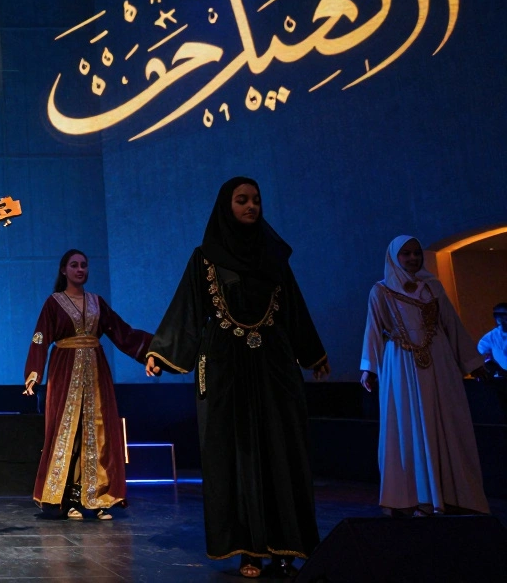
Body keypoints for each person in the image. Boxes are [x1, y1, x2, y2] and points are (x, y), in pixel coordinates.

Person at [144, 177, 329, 579]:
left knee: (282, 450)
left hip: (273, 366)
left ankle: (287, 547)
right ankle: (249, 549)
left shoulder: (274, 257)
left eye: (256, 201)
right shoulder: (205, 257)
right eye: (242, 200)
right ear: (226, 206)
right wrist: (162, 352)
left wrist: (313, 353)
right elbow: (188, 310)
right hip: (227, 366)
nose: (251, 207)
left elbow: (293, 308)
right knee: (236, 453)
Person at [360, 236, 490, 515]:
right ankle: (416, 494)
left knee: (445, 419)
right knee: (409, 423)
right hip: (401, 363)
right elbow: (373, 329)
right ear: (394, 257)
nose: (412, 259)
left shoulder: (432, 287)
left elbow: (451, 325)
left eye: (416, 253)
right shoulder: (381, 291)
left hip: (438, 361)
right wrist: (369, 367)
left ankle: (450, 491)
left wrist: (472, 362)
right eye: (405, 254)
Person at [23, 249, 151, 521]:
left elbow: (122, 332)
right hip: (65, 368)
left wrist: (155, 350)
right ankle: (64, 499)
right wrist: (34, 372)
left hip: (95, 370)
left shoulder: (97, 302)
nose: (80, 269)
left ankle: (97, 497)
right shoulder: (54, 302)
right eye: (74, 265)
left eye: (83, 265)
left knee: (98, 430)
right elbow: (40, 337)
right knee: (68, 431)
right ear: (63, 270)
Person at [477, 302, 507, 376]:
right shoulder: (491, 337)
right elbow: (480, 353)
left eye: (504, 315)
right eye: (497, 315)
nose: (501, 318)